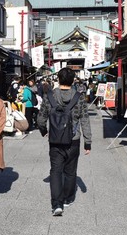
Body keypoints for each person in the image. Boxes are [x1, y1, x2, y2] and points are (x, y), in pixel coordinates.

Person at [37, 67, 92, 216]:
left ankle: (57, 204)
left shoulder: (50, 96)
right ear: (73, 80)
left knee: (55, 171)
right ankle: (68, 198)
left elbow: (41, 118)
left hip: (55, 140)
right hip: (73, 140)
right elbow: (85, 119)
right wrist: (88, 142)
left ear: (59, 79)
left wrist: (44, 131)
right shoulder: (79, 97)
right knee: (70, 171)